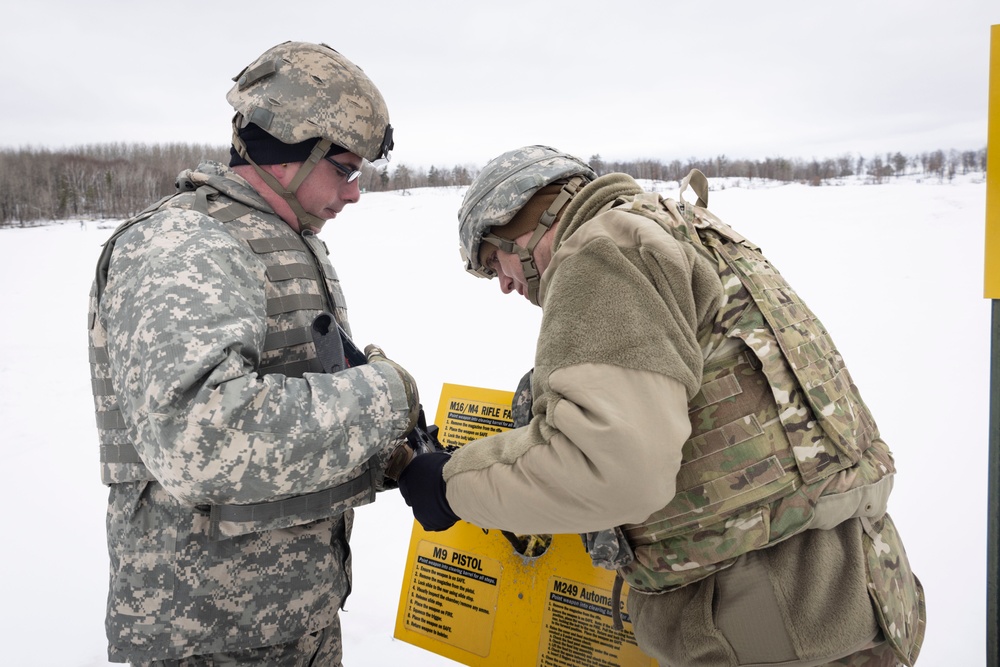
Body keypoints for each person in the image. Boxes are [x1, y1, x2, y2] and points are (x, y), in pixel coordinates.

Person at [398, 145, 926, 666]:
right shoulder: (682, 228)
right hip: (859, 584)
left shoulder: (600, 252)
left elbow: (612, 470)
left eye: (496, 261)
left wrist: (447, 487)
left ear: (529, 219)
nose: (507, 286)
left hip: (769, 620)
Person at [88, 41, 421, 665]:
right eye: (345, 169)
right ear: (291, 153)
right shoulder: (186, 247)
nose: (353, 194)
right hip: (210, 634)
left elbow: (298, 385)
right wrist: (385, 398)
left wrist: (399, 458)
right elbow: (202, 435)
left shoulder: (282, 237)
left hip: (291, 617)